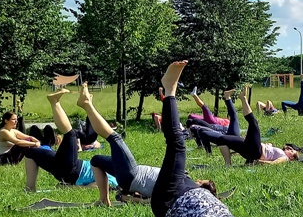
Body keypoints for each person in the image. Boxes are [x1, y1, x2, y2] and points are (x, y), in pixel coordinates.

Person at [152, 60, 279, 217]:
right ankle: (169, 91)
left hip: (170, 200)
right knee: (178, 151)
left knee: (177, 144)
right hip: (191, 190)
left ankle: (170, 90)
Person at [80, 84, 217, 206]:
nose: (197, 179)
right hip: (130, 177)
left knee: (115, 138)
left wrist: (131, 199)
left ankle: (87, 105)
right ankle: (104, 199)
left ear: (199, 189)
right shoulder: (180, 182)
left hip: (132, 174)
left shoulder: (179, 187)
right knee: (96, 160)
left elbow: (152, 201)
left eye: (200, 182)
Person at [22, 89, 119, 192]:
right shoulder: (118, 174)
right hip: (67, 168)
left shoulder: (116, 181)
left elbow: (96, 186)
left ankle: (54, 102)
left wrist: (69, 187)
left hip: (72, 170)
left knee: (71, 134)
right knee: (30, 152)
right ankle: (30, 188)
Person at [195, 87, 299, 166]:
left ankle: (243, 98)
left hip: (255, 151)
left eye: (292, 152)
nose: (289, 150)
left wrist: (257, 161)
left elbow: (273, 163)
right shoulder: (279, 151)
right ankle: (227, 164)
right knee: (222, 139)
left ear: (292, 158)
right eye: (291, 149)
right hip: (249, 149)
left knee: (253, 123)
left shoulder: (285, 158)